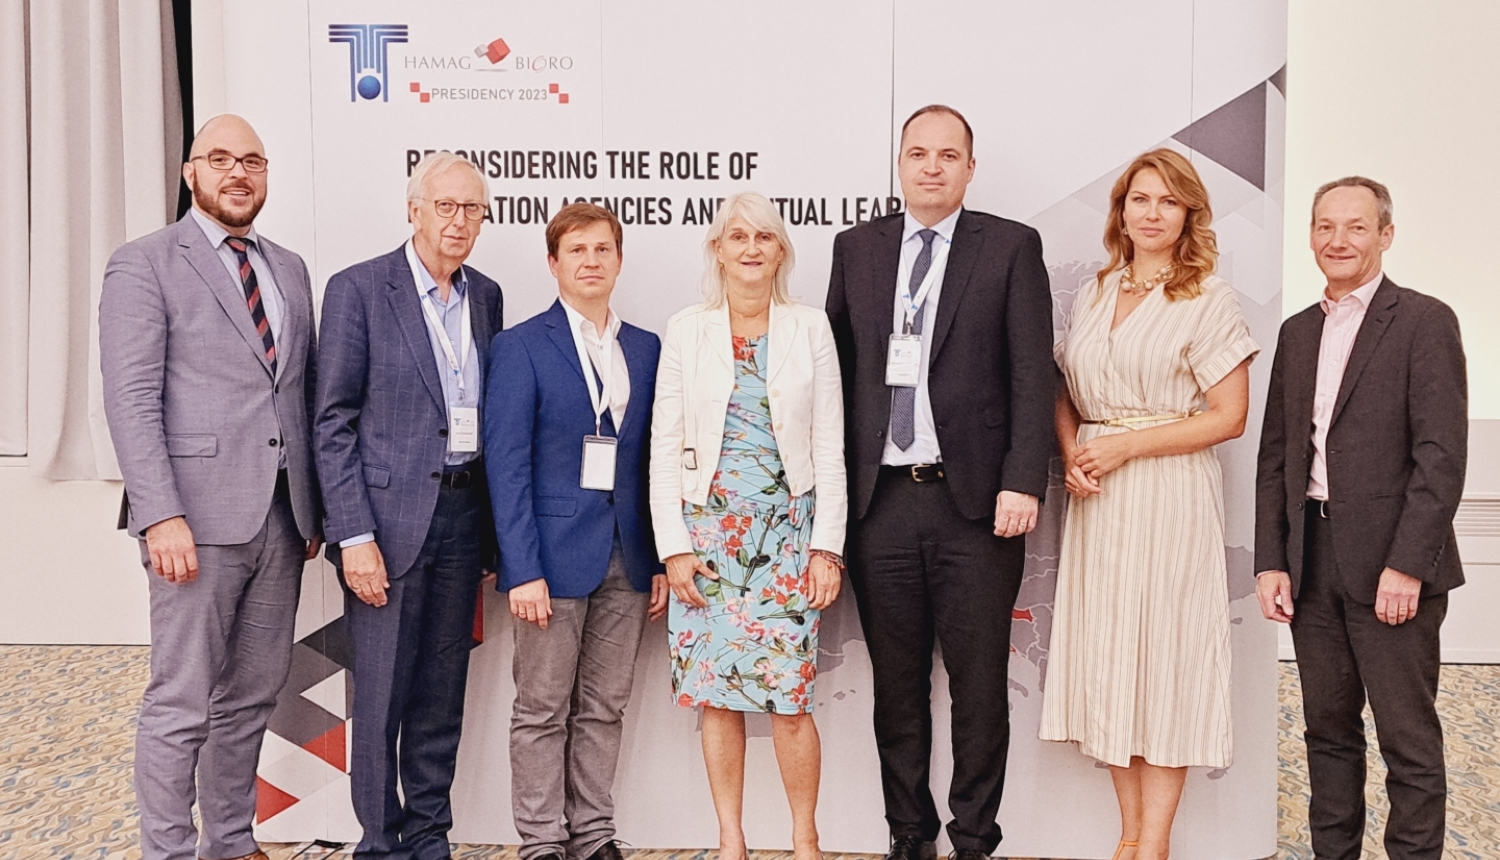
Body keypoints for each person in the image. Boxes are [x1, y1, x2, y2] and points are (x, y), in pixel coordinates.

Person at [825, 104, 1055, 860]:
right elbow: (836, 376)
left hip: (978, 507)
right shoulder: (857, 249)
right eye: (918, 153)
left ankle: (975, 839)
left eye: (948, 155)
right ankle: (909, 836)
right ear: (900, 164)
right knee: (897, 687)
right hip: (880, 503)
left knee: (979, 685)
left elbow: (1032, 373)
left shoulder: (1010, 247)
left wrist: (1023, 480)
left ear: (970, 168)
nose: (932, 167)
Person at [100, 114, 323, 860]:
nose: (238, 173)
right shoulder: (144, 263)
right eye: (220, 159)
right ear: (190, 172)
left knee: (252, 696)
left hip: (282, 521)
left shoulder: (289, 268)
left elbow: (295, 392)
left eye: (252, 161)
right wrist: (159, 513)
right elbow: (131, 400)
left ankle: (229, 842)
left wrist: (312, 507)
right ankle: (166, 851)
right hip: (192, 523)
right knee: (181, 702)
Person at [1039, 149, 1258, 860]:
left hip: (1169, 495)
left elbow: (1229, 416)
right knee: (1114, 661)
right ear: (1121, 211)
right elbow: (1066, 390)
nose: (1153, 213)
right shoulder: (1097, 290)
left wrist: (1125, 448)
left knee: (1164, 663)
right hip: (1100, 500)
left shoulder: (1209, 297)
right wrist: (1073, 452)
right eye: (1140, 199)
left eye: (1169, 201)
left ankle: (1154, 844)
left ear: (1189, 214)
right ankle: (1129, 837)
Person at [1255, 177, 1467, 860]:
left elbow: (1441, 458)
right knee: (1327, 734)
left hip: (1392, 569)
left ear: (1385, 235)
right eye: (1325, 226)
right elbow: (1277, 456)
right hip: (1312, 564)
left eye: (1355, 226)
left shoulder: (1425, 321)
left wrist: (1407, 565)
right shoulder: (1297, 332)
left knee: (1407, 741)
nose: (1337, 240)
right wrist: (1272, 560)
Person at [313, 152, 504, 860]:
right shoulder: (360, 289)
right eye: (445, 206)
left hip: (462, 520)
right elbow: (332, 421)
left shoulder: (486, 296)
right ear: (414, 210)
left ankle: (429, 836)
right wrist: (353, 534)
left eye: (472, 209)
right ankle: (379, 842)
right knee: (382, 698)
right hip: (385, 528)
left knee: (440, 694)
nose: (459, 222)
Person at [649, 191, 846, 860]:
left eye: (764, 237)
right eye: (738, 237)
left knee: (790, 700)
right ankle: (730, 839)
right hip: (708, 542)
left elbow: (829, 445)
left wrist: (827, 549)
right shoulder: (687, 329)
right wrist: (674, 549)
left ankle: (804, 839)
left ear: (781, 250)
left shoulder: (809, 327)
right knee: (718, 696)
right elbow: (664, 446)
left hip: (788, 539)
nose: (752, 248)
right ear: (718, 250)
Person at [484, 203, 667, 860]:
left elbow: (654, 460)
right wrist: (522, 567)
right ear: (553, 262)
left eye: (602, 249)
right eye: (577, 250)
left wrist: (659, 560)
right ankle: (541, 842)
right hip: (551, 560)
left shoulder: (646, 348)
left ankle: (592, 836)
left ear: (619, 259)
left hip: (628, 555)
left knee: (605, 705)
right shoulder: (520, 346)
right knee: (541, 709)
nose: (591, 261)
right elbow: (506, 464)